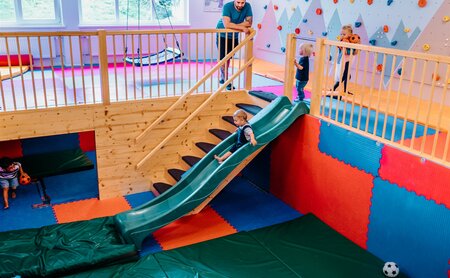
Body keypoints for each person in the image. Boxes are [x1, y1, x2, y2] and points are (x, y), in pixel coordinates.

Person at [216, 0, 253, 90]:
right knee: (223, 58)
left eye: (242, 3)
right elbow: (226, 25)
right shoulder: (227, 6)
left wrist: (233, 25)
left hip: (234, 35)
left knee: (228, 58)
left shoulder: (247, 6)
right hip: (222, 34)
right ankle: (226, 80)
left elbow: (249, 23)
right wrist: (242, 27)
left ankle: (222, 77)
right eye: (238, 2)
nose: (240, 5)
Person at [333, 24, 354, 94]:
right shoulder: (343, 42)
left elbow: (353, 50)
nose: (342, 35)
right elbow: (344, 50)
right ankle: (333, 88)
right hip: (343, 61)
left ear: (350, 35)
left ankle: (345, 90)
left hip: (347, 61)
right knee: (344, 76)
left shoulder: (351, 41)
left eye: (344, 34)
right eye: (341, 34)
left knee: (347, 76)